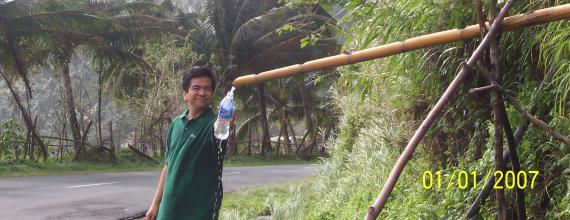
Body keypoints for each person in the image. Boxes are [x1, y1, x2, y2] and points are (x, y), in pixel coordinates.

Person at [146, 66, 236, 220]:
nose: (202, 93)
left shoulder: (214, 123)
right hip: (169, 210)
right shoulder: (176, 124)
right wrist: (155, 204)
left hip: (199, 212)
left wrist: (227, 120)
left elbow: (222, 127)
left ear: (212, 94)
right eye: (196, 88)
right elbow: (169, 165)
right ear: (185, 94)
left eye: (207, 89)